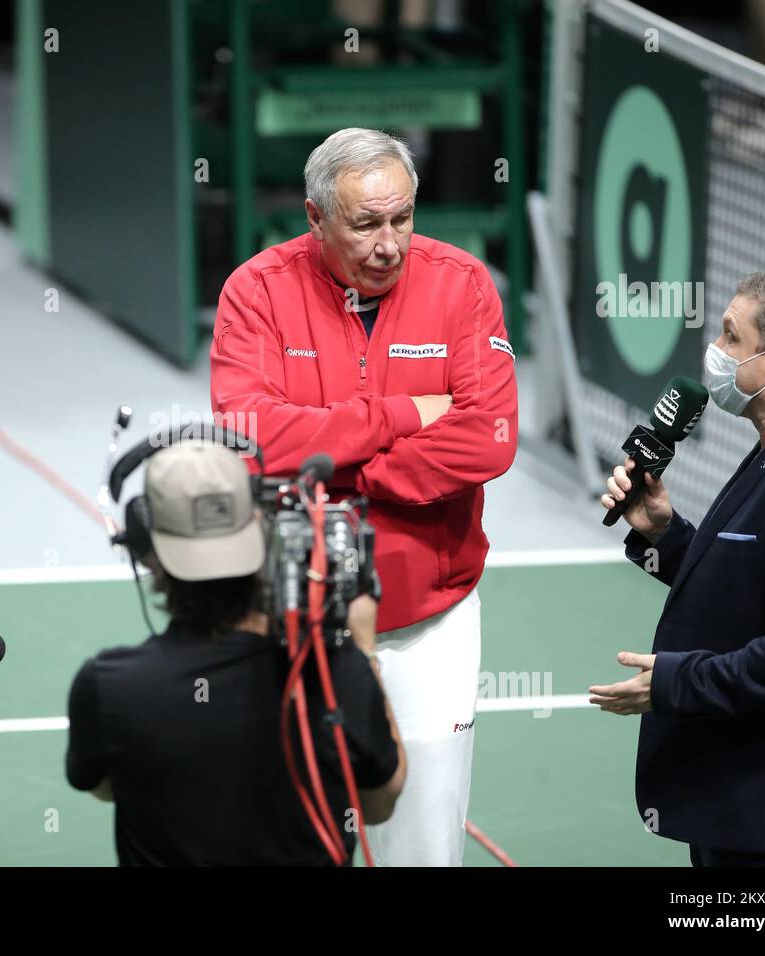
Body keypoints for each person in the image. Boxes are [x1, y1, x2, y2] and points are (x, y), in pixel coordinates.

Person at [210, 128, 518, 865]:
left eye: (403, 219)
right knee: (293, 836)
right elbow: (251, 438)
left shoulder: (463, 285)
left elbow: (490, 437)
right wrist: (405, 415)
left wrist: (362, 477)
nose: (390, 244)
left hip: (426, 619)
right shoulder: (256, 291)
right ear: (315, 218)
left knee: (421, 843)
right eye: (366, 224)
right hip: (291, 620)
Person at [594, 270, 765, 867]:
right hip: (740, 797)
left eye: (732, 338)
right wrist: (664, 533)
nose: (714, 351)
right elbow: (748, 586)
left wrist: (676, 683)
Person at [65, 439, 405, 865]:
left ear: (148, 552)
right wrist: (363, 647)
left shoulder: (108, 690)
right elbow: (379, 804)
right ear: (259, 535)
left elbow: (107, 786)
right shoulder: (334, 672)